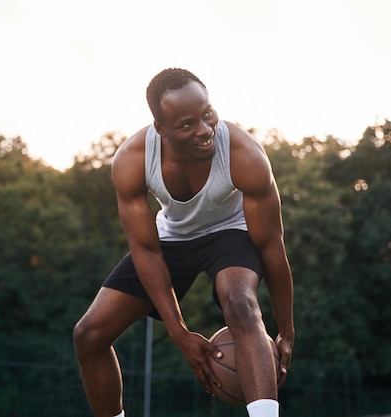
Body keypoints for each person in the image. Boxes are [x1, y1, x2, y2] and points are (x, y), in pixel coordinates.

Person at [73, 68, 294, 417]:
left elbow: (271, 245)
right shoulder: (132, 161)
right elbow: (145, 250)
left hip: (230, 231)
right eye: (187, 124)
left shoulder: (244, 154)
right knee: (89, 335)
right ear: (161, 128)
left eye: (207, 114)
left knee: (240, 302)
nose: (205, 130)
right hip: (172, 237)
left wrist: (286, 330)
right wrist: (179, 333)